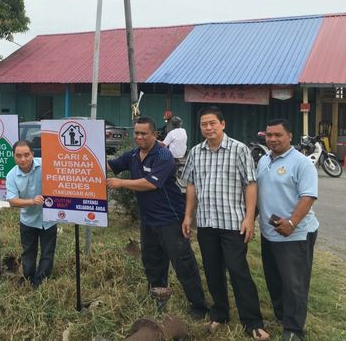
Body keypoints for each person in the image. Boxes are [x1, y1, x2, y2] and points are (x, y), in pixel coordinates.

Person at [181, 106, 269, 341]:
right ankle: (220, 313)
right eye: (204, 124)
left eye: (212, 123)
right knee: (212, 270)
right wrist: (188, 216)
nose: (208, 128)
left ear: (223, 124)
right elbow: (191, 184)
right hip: (207, 222)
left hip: (233, 223)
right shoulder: (196, 152)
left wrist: (249, 218)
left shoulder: (239, 149)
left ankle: (252, 321)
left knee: (238, 270)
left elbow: (250, 184)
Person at [107, 117, 209, 319]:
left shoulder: (163, 156)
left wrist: (121, 183)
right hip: (148, 220)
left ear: (154, 134)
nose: (139, 137)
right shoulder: (133, 155)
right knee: (152, 261)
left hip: (170, 219)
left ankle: (198, 306)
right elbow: (111, 165)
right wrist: (84, 159)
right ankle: (158, 298)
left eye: (144, 133)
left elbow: (151, 183)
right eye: (136, 133)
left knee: (183, 262)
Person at [257, 119, 318, 341]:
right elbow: (260, 194)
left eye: (278, 135)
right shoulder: (263, 160)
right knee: (274, 279)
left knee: (294, 284)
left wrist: (292, 223)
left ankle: (293, 329)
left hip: (295, 233)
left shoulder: (302, 163)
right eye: (269, 135)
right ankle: (282, 315)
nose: (272, 139)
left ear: (290, 136)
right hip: (269, 232)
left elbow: (308, 196)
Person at [6, 140, 57, 287]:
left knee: (47, 252)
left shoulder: (46, 165)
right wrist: (32, 201)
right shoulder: (11, 175)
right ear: (13, 156)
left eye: (26, 155)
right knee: (28, 252)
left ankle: (40, 282)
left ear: (32, 154)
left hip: (49, 219)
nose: (23, 159)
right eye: (18, 156)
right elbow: (12, 201)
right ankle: (28, 279)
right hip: (28, 220)